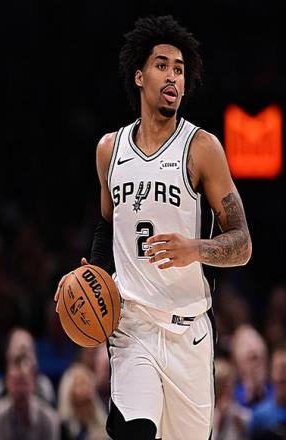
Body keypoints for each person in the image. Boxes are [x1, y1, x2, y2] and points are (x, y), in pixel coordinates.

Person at [54, 15, 252, 440]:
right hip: (133, 325)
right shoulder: (110, 150)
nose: (173, 76)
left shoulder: (202, 148)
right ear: (140, 76)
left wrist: (195, 248)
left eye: (179, 69)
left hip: (189, 332)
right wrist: (89, 277)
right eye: (162, 65)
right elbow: (107, 226)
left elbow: (242, 243)